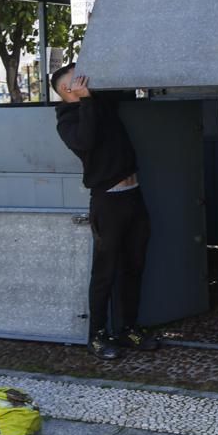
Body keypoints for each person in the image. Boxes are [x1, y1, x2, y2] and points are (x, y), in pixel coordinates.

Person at [52, 63, 159, 360]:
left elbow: (124, 87)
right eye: (78, 80)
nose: (86, 81)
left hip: (133, 196)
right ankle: (97, 336)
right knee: (105, 272)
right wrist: (86, 101)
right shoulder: (67, 120)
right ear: (66, 90)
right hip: (107, 202)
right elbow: (86, 141)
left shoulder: (101, 104)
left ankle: (128, 328)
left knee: (134, 266)